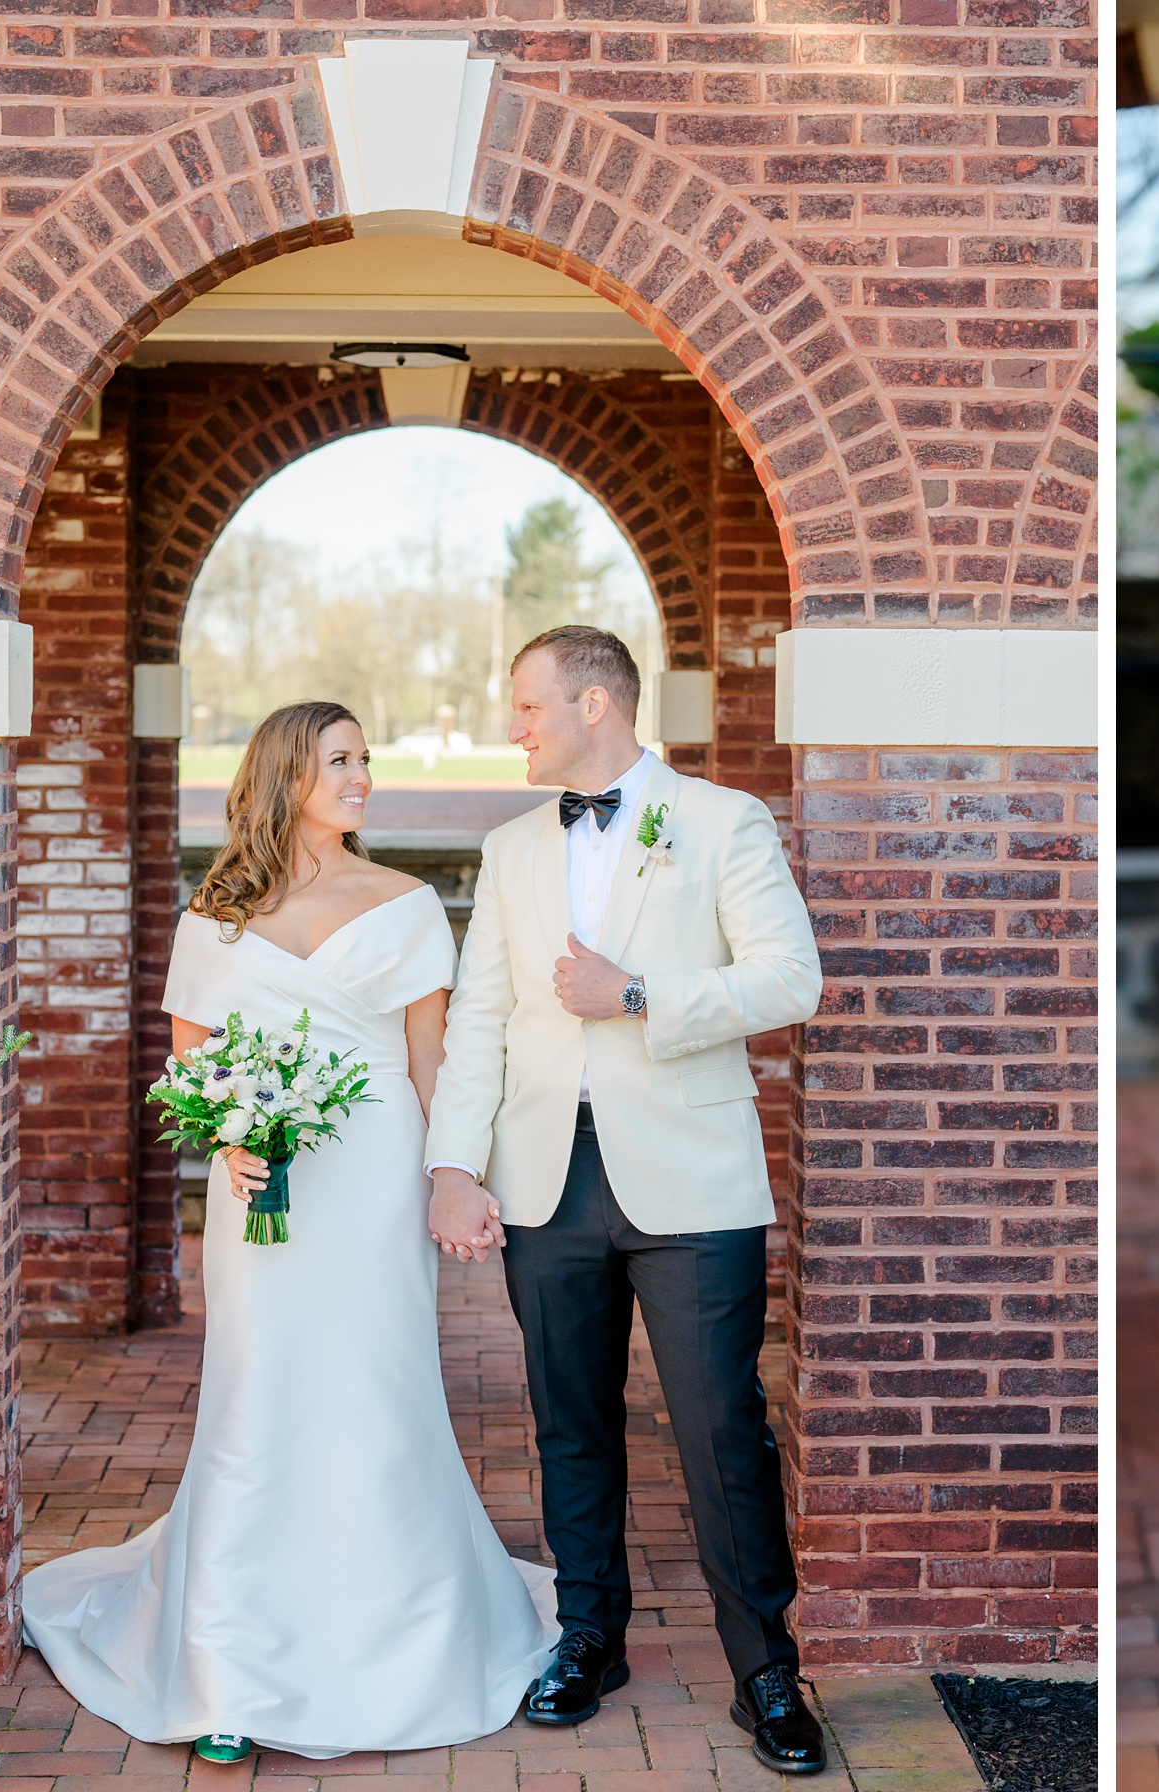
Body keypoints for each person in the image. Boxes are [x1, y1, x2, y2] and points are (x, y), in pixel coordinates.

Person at [21, 701, 558, 1765]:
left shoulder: (406, 905)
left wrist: (450, 1180)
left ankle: (401, 1640)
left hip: (369, 1189)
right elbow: (191, 1061)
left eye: (365, 756)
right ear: (284, 774)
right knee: (259, 1398)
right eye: (341, 759)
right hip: (259, 1190)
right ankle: (228, 1667)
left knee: (374, 1387)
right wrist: (227, 1143)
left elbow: (431, 1065)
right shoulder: (213, 915)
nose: (363, 775)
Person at [423, 626, 827, 1775]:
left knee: (720, 1429)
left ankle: (766, 1671)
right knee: (570, 1423)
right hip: (545, 1179)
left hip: (691, 1183)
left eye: (528, 706)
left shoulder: (720, 820)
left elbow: (791, 976)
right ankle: (587, 1634)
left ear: (597, 701)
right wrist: (457, 1162)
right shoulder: (508, 849)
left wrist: (637, 991)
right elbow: (483, 1021)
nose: (515, 727)